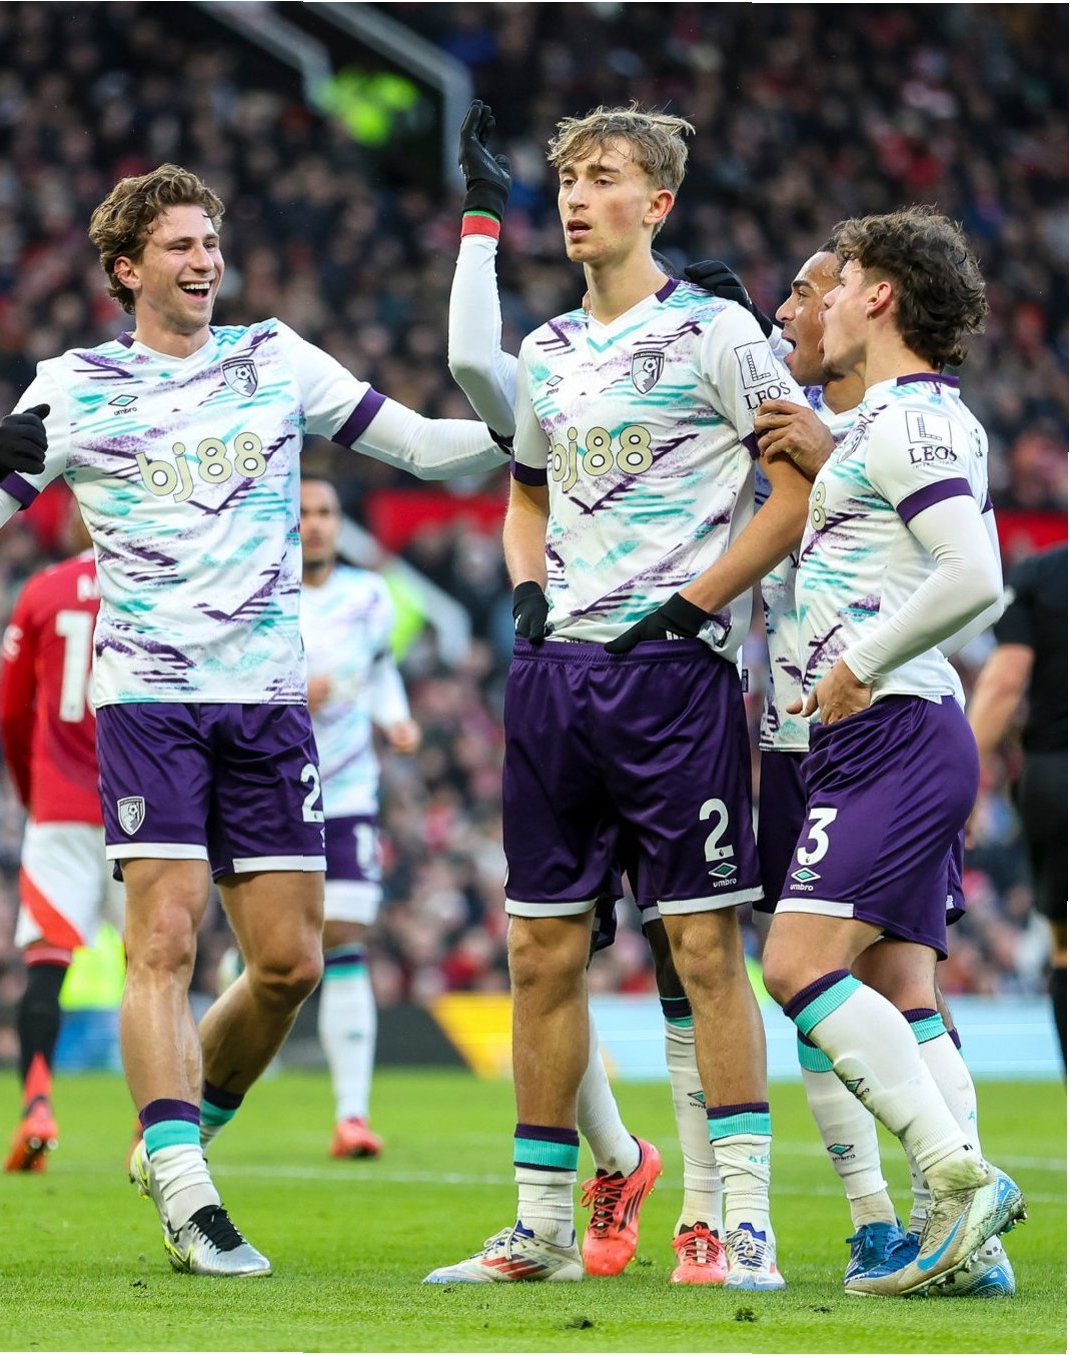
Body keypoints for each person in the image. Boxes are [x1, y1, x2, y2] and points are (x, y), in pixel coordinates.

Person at [0, 163, 510, 1277]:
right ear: (126, 267)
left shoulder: (275, 357)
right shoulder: (74, 385)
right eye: (180, 244)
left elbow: (419, 444)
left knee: (287, 964)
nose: (205, 260)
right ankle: (189, 1196)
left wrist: (529, 428)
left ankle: (173, 1137)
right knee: (165, 938)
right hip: (152, 702)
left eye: (211, 241)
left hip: (267, 704)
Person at [427, 103, 813, 1289]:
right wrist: (526, 589)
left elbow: (796, 490)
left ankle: (740, 1222)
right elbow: (526, 491)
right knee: (538, 950)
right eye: (566, 179)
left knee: (700, 945)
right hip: (557, 677)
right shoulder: (545, 349)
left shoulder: (716, 331)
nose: (575, 197)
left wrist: (694, 607)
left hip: (673, 680)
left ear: (657, 203)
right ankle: (541, 1225)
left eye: (602, 178)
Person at [758, 205, 1025, 1298]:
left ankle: (956, 1175)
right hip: (891, 732)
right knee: (897, 983)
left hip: (894, 731)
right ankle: (966, 1248)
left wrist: (858, 660)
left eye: (838, 279)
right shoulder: (892, 421)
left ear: (877, 295)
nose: (816, 300)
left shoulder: (910, 423)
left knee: (793, 964)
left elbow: (975, 577)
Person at [0, 506, 123, 1172]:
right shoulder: (157, 582)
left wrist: (31, 790)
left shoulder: (41, 590)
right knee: (157, 966)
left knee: (46, 963)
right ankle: (156, 1124)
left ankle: (37, 1106)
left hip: (59, 807)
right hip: (142, 808)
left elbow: (11, 710)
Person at [298, 472, 421, 1158]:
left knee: (345, 933)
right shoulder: (261, 593)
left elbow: (379, 673)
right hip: (270, 789)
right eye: (303, 512)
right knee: (284, 945)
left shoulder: (368, 595)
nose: (315, 523)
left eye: (325, 511)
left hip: (346, 790)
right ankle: (241, 972)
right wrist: (292, 692)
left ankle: (351, 1115)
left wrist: (394, 719)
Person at [968, 542, 1067, 1067]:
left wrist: (961, 780)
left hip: (1057, 774)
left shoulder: (1042, 576)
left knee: (1065, 949)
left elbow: (1005, 683)